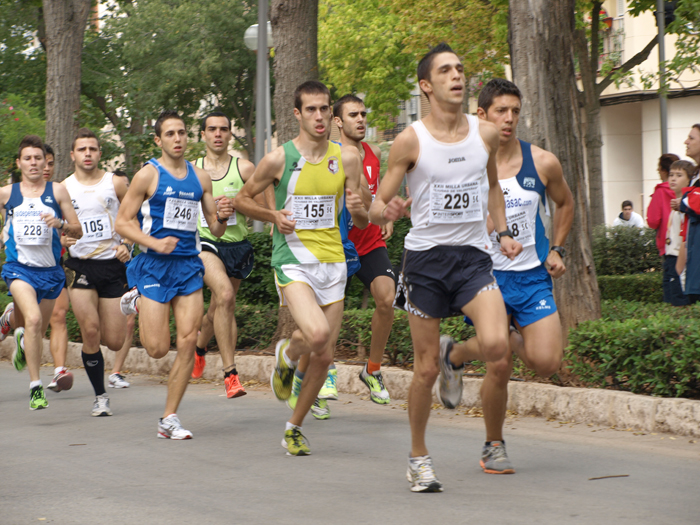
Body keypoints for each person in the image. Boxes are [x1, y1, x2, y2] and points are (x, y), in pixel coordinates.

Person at [368, 44, 522, 492]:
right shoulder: (410, 140)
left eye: (460, 68)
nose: (457, 76)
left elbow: (492, 187)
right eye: (445, 70)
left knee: (497, 345)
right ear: (426, 85)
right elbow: (378, 206)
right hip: (426, 263)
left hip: (474, 258)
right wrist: (387, 209)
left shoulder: (486, 134)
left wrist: (503, 231)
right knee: (425, 370)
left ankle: (470, 387)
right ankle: (418, 456)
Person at [436, 78, 574, 475]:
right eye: (500, 110)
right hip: (486, 275)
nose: (509, 118)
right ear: (481, 114)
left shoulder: (543, 162)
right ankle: (493, 445)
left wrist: (558, 249)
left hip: (531, 277)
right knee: (499, 364)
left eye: (514, 110)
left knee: (546, 361)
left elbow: (565, 205)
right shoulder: (465, 164)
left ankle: (457, 353)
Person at [234, 80, 366, 456]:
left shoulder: (348, 158)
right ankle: (290, 355)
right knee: (319, 334)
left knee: (323, 355)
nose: (320, 116)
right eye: (311, 109)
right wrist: (272, 214)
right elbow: (242, 200)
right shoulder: (279, 159)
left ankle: (294, 427)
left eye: (325, 109)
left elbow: (359, 218)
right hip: (293, 261)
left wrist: (361, 209)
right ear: (297, 114)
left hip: (334, 261)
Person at [115, 110, 232, 439]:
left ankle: (169, 418)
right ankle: (137, 299)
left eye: (181, 133)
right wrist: (154, 242)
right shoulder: (147, 176)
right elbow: (122, 223)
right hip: (154, 264)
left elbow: (216, 229)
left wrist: (222, 215)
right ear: (158, 140)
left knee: (187, 342)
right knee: (155, 348)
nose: (178, 139)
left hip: (188, 266)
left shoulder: (201, 177)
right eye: (170, 134)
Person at [0, 135, 82, 410]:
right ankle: (36, 387)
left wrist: (59, 223)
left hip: (50, 273)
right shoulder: (6, 194)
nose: (34, 163)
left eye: (38, 158)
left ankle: (18, 331)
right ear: (19, 163)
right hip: (18, 269)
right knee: (34, 320)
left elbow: (77, 229)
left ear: (44, 161)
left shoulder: (57, 192)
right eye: (28, 158)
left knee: (38, 330)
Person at [62, 128, 132, 415]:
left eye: (92, 149)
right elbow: (55, 227)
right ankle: (100, 396)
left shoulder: (115, 183)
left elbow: (133, 215)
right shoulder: (63, 188)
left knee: (114, 340)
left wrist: (127, 242)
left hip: (113, 266)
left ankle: (132, 300)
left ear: (100, 152)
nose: (87, 154)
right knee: (90, 331)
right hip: (81, 267)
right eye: (82, 149)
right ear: (73, 154)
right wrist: (62, 239)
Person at [331, 94, 395, 405]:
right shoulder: (330, 157)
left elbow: (377, 190)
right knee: (331, 311)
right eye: (353, 114)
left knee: (386, 297)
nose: (361, 119)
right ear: (338, 121)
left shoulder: (375, 152)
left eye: (363, 114)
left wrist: (384, 216)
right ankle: (324, 372)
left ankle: (372, 370)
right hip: (337, 244)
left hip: (369, 240)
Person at [189, 111, 257, 399]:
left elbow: (260, 209)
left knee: (218, 308)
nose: (218, 134)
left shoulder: (245, 168)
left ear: (230, 134)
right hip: (204, 244)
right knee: (226, 296)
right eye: (212, 129)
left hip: (237, 245)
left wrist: (236, 207)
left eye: (223, 129)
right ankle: (231, 375)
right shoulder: (190, 169)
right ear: (203, 135)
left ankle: (199, 347)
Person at [107, 170, 133, 389]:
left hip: (132, 268)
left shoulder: (135, 208)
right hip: (106, 269)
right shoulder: (104, 207)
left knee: (130, 321)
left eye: (127, 186)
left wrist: (129, 244)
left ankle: (116, 371)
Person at [665, 161, 694, 306]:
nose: (673, 178)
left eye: (679, 175)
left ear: (689, 179)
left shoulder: (685, 205)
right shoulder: (676, 203)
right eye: (671, 175)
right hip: (671, 256)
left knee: (680, 303)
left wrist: (678, 268)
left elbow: (685, 236)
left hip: (678, 258)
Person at [647, 154, 680, 264]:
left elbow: (653, 221)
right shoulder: (686, 189)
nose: (658, 170)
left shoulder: (660, 192)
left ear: (664, 171)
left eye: (659, 168)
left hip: (668, 242)